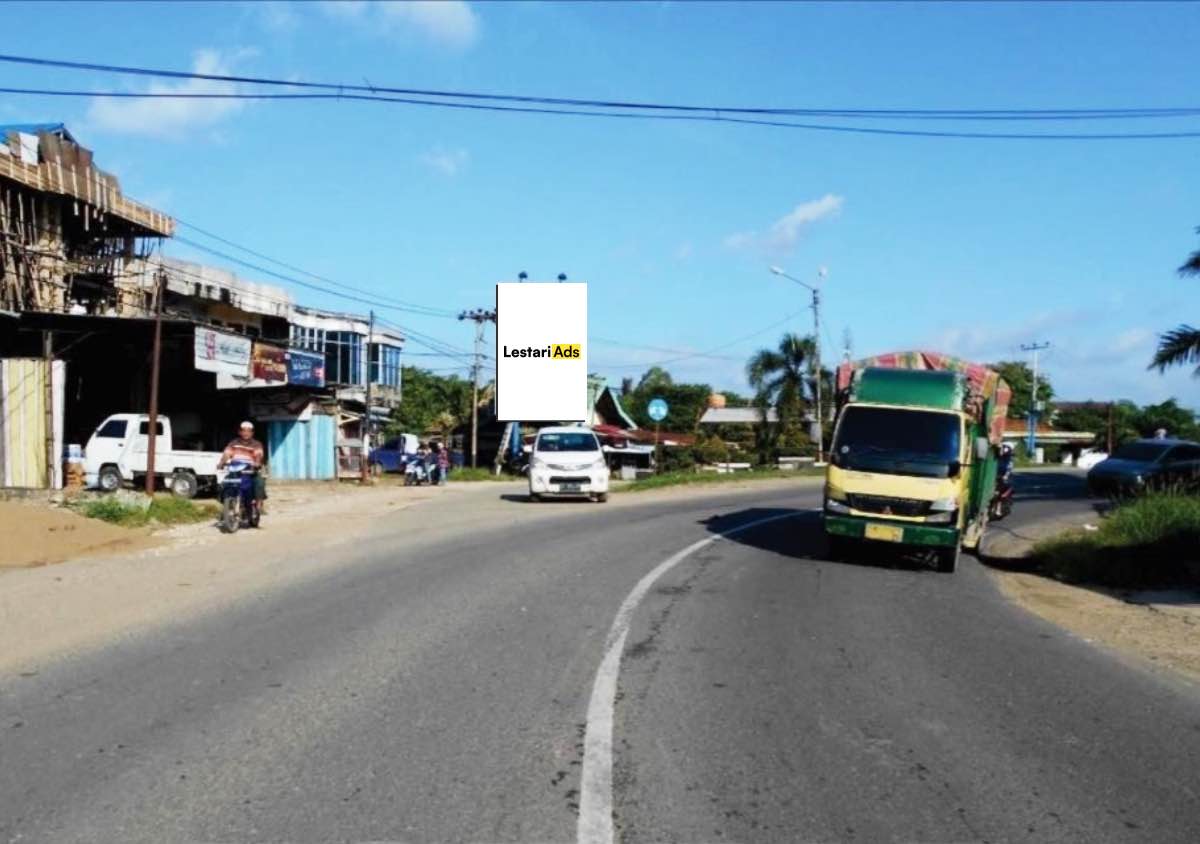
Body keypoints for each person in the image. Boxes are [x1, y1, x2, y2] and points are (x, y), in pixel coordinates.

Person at [219, 421, 267, 505]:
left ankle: (258, 506)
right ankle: (226, 505)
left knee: (259, 483)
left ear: (252, 433)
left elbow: (259, 455)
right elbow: (227, 453)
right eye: (243, 430)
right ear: (239, 432)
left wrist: (257, 463)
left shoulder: (256, 444)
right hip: (235, 469)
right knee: (225, 483)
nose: (246, 433)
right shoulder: (233, 443)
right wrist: (221, 463)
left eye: (249, 431)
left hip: (250, 470)